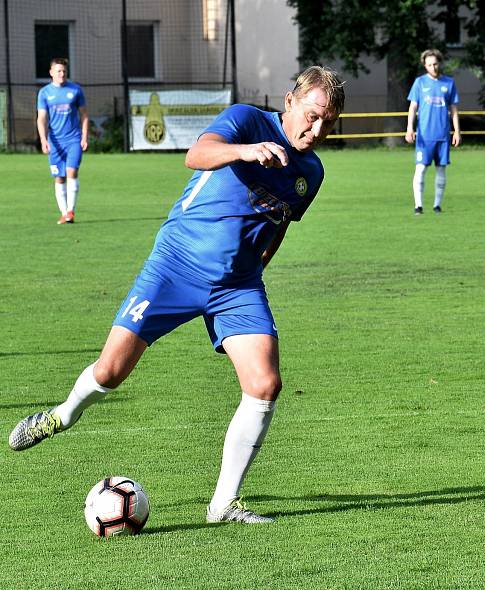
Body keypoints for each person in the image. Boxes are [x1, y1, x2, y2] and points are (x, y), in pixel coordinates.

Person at [10, 66, 346, 525]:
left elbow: (280, 222)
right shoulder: (248, 120)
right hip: (176, 265)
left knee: (265, 384)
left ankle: (223, 504)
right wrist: (247, 152)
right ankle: (62, 415)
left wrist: (256, 270)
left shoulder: (312, 170)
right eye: (312, 115)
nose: (317, 129)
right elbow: (197, 153)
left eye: (328, 122)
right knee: (111, 371)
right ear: (290, 101)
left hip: (238, 285)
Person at [405, 49, 461, 215]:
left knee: (441, 169)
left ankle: (437, 205)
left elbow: (454, 109)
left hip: (443, 136)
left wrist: (457, 131)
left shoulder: (448, 83)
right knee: (421, 169)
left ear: (439, 63)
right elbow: (413, 107)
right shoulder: (420, 83)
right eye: (429, 65)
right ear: (425, 65)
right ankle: (418, 206)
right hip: (424, 136)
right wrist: (409, 127)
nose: (433, 67)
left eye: (435, 64)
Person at [37, 57, 89, 225]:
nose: (62, 74)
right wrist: (44, 140)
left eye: (64, 71)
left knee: (71, 172)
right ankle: (64, 212)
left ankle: (70, 212)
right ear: (51, 73)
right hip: (55, 142)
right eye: (58, 71)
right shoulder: (44, 93)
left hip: (73, 139)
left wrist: (84, 136)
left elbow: (84, 115)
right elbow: (42, 119)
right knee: (59, 177)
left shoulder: (75, 90)